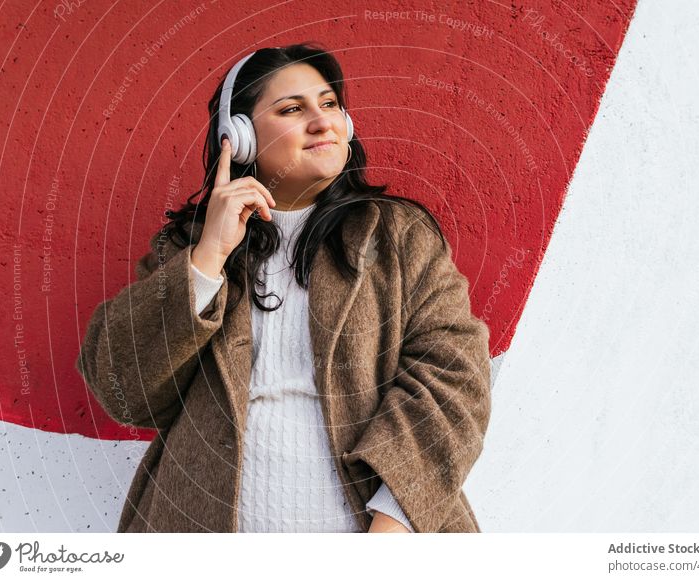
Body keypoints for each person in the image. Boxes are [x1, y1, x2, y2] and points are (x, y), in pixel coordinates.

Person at [75, 43, 492, 533]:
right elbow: (124, 392)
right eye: (293, 109)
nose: (323, 122)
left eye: (330, 104)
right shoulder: (187, 247)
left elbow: (455, 378)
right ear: (241, 138)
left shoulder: (399, 235)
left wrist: (394, 524)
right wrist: (208, 256)